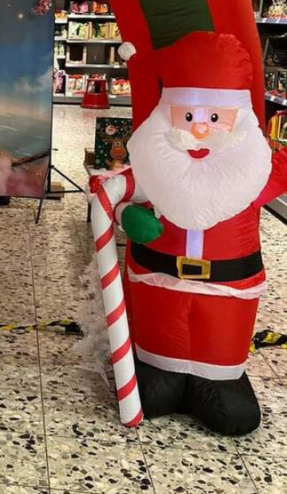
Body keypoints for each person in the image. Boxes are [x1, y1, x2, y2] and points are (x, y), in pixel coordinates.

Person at [106, 32, 287, 435]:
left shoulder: (252, 169)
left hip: (228, 291)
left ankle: (218, 379)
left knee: (234, 411)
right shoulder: (155, 163)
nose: (201, 129)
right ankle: (160, 369)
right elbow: (112, 193)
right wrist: (125, 215)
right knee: (151, 389)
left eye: (215, 118)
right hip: (158, 282)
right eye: (188, 117)